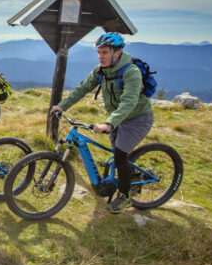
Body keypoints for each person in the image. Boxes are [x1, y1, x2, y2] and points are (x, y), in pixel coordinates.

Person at [50, 32, 154, 214]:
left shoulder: (131, 72)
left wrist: (109, 123)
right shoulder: (100, 71)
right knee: (118, 153)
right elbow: (82, 89)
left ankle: (125, 196)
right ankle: (131, 176)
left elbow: (128, 102)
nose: (101, 57)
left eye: (105, 52)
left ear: (117, 52)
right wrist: (62, 106)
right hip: (117, 118)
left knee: (120, 155)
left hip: (137, 118)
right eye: (99, 53)